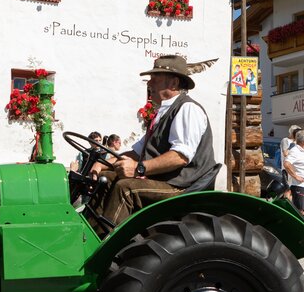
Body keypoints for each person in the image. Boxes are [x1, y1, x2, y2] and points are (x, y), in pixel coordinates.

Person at [90, 55, 214, 232]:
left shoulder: (188, 109)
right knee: (108, 179)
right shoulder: (163, 112)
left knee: (125, 188)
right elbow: (136, 152)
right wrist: (102, 164)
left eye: (155, 79)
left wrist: (139, 169)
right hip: (167, 181)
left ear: (173, 83)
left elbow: (180, 156)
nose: (149, 84)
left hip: (182, 185)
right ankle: (88, 234)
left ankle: (107, 248)